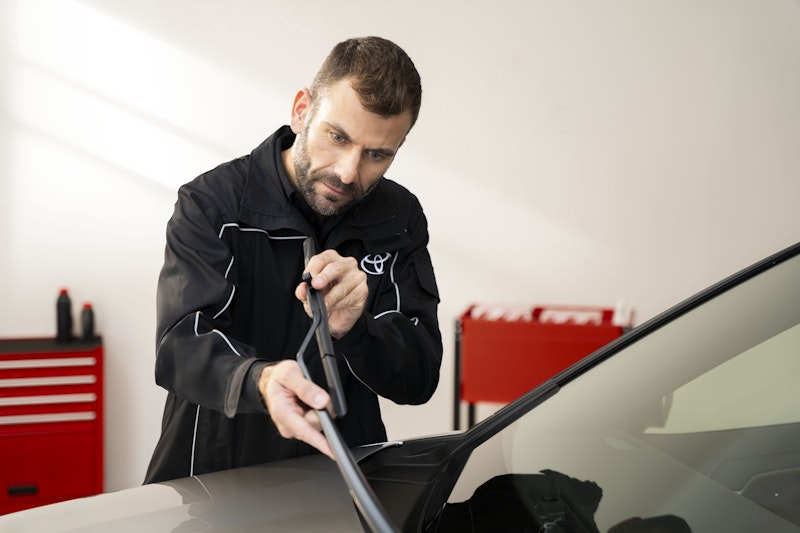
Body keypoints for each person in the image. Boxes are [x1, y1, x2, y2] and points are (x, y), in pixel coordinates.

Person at [144, 36, 442, 484]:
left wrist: (357, 330)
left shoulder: (400, 218)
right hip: (212, 480)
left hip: (341, 480)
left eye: (377, 155)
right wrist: (260, 381)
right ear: (302, 110)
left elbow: (419, 379)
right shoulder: (212, 203)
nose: (348, 172)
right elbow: (179, 347)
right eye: (338, 137)